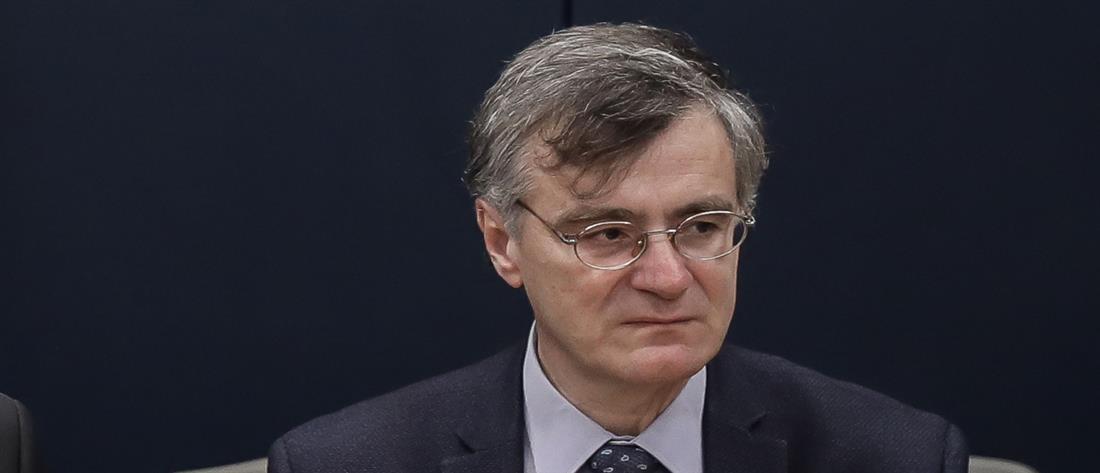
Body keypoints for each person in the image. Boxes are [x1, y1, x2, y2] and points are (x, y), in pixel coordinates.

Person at [268, 23, 968, 473]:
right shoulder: (343, 463)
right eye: (607, 234)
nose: (667, 277)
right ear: (502, 241)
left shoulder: (896, 456)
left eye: (702, 227)